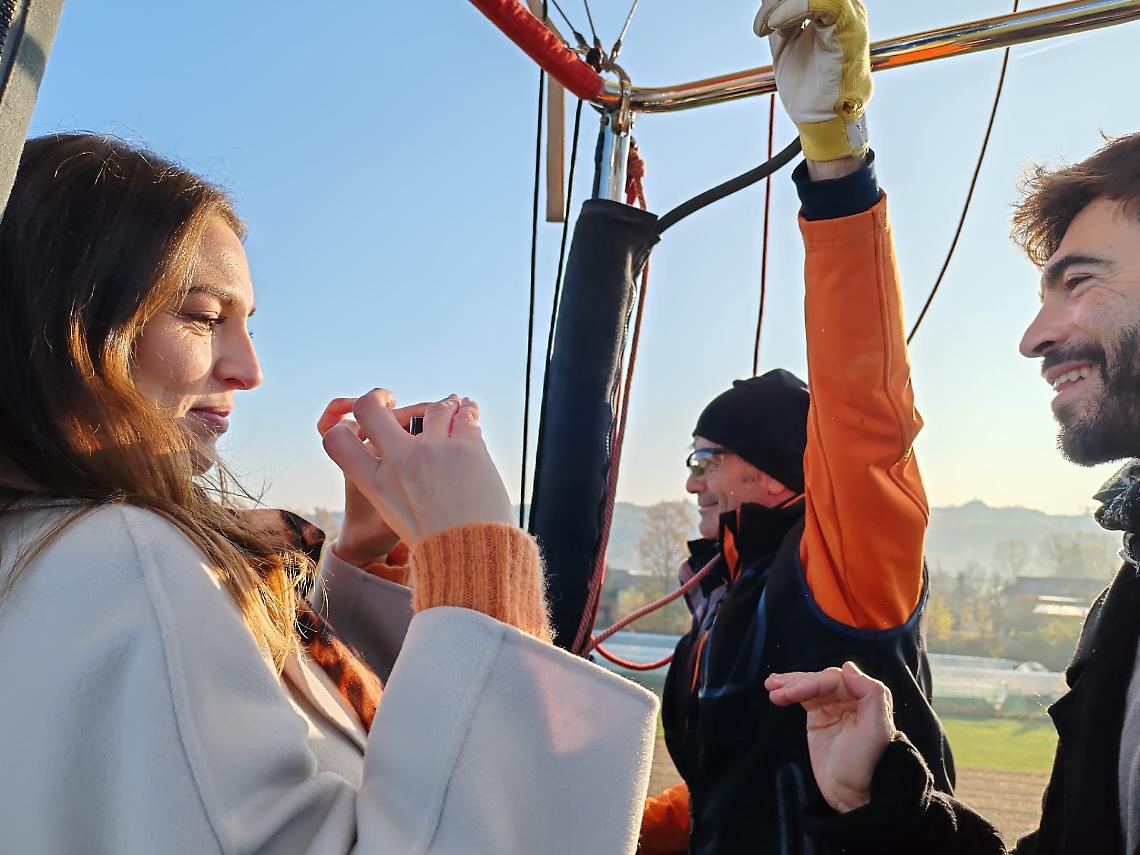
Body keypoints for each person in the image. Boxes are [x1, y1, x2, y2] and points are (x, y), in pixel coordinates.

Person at [0, 133, 659, 854]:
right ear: (63, 320)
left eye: (248, 323)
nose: (250, 369)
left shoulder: (51, 556)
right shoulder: (127, 560)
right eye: (201, 314)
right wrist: (479, 566)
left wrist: (365, 558)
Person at [768, 129, 1140, 855]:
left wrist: (839, 179)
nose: (1032, 336)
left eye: (1081, 280)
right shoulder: (1125, 594)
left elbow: (862, 423)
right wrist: (885, 800)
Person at [637, 2, 953, 853]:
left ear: (779, 472)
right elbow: (731, 787)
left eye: (708, 456)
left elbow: (862, 405)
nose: (693, 478)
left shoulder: (843, 568)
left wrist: (836, 163)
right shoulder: (728, 592)